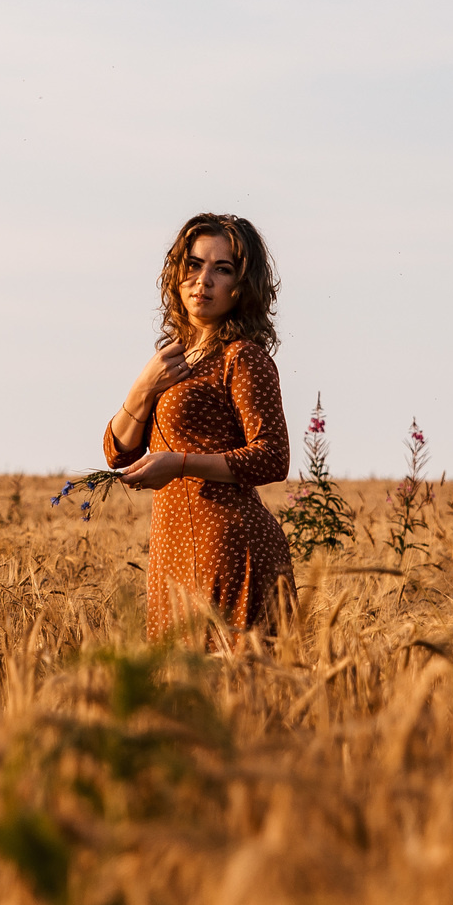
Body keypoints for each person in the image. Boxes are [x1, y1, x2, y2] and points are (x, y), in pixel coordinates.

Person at [103, 213, 295, 643]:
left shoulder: (242, 357)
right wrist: (142, 387)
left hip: (229, 548)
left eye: (221, 269)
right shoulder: (172, 359)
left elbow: (273, 456)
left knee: (235, 680)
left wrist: (181, 464)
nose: (202, 281)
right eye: (193, 265)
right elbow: (118, 452)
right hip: (172, 552)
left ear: (242, 285)